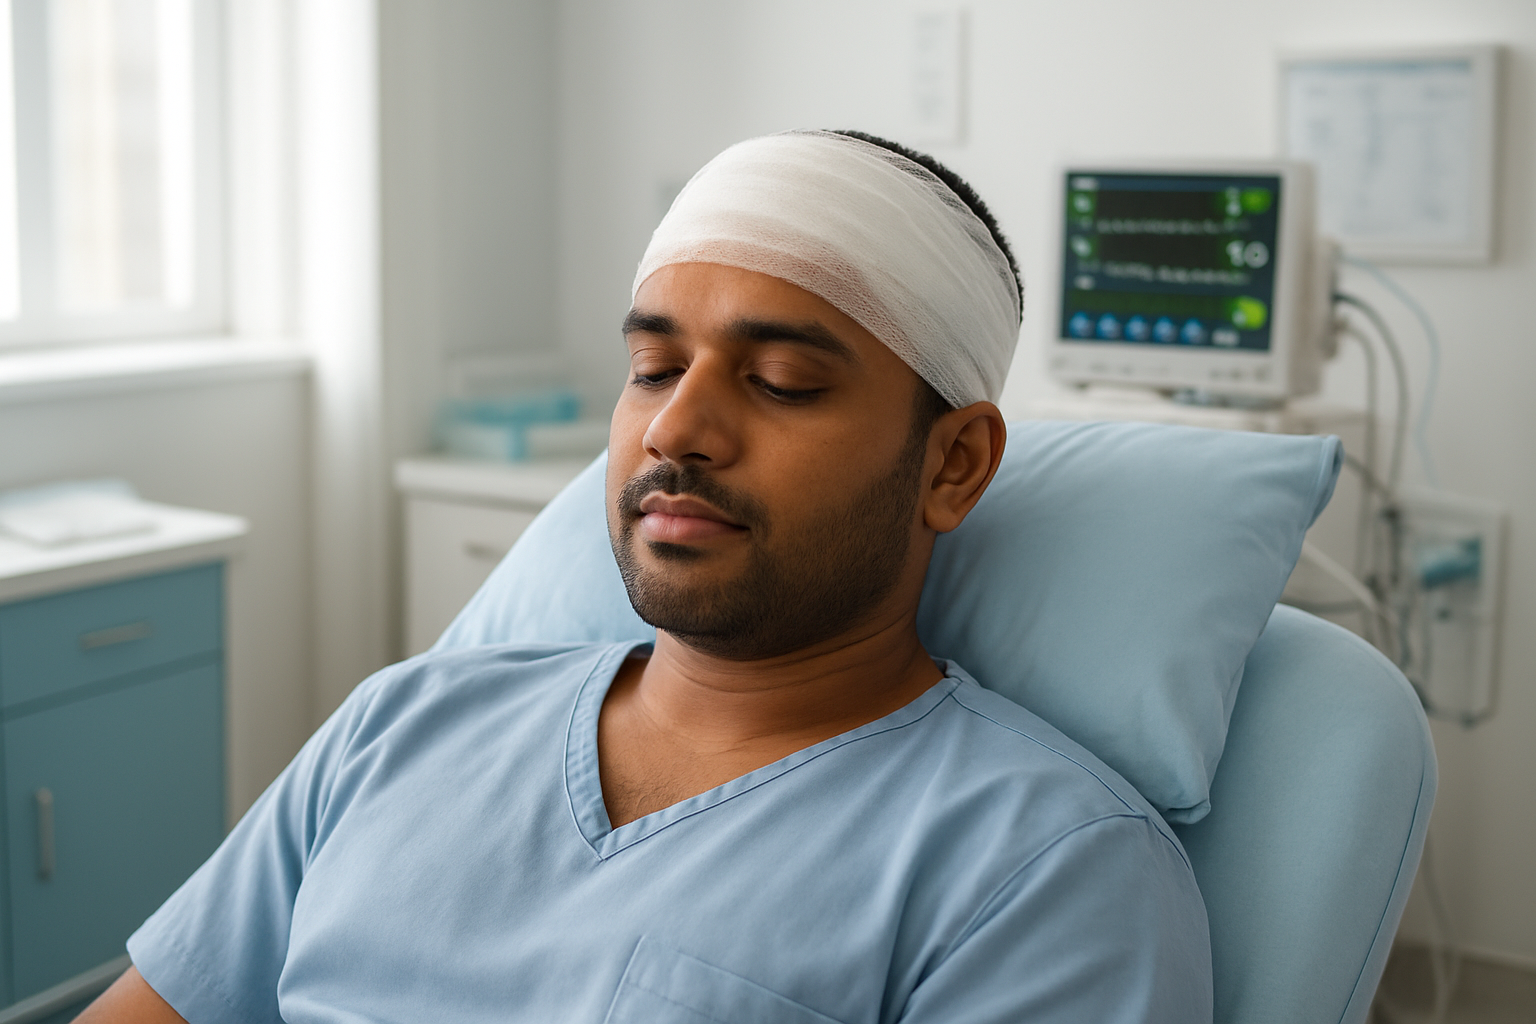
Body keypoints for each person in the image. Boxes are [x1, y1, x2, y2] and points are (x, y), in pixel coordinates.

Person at [83, 130, 1212, 1023]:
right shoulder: (405, 722)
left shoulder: (1042, 868)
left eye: (779, 380)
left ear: (953, 463)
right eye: (652, 366)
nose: (677, 426)